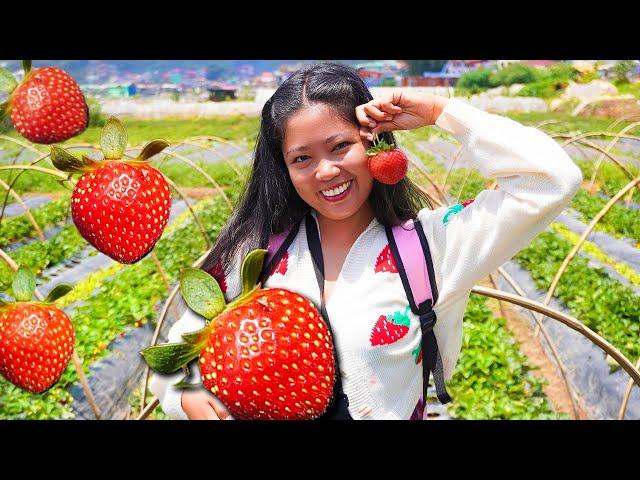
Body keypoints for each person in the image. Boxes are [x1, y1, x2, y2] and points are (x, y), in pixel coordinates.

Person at [149, 62, 582, 420]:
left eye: (339, 146)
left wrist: (438, 112)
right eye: (302, 158)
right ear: (284, 168)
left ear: (370, 140)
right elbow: (176, 349)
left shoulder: (433, 247)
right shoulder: (256, 252)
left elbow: (552, 181)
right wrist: (184, 396)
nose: (325, 171)